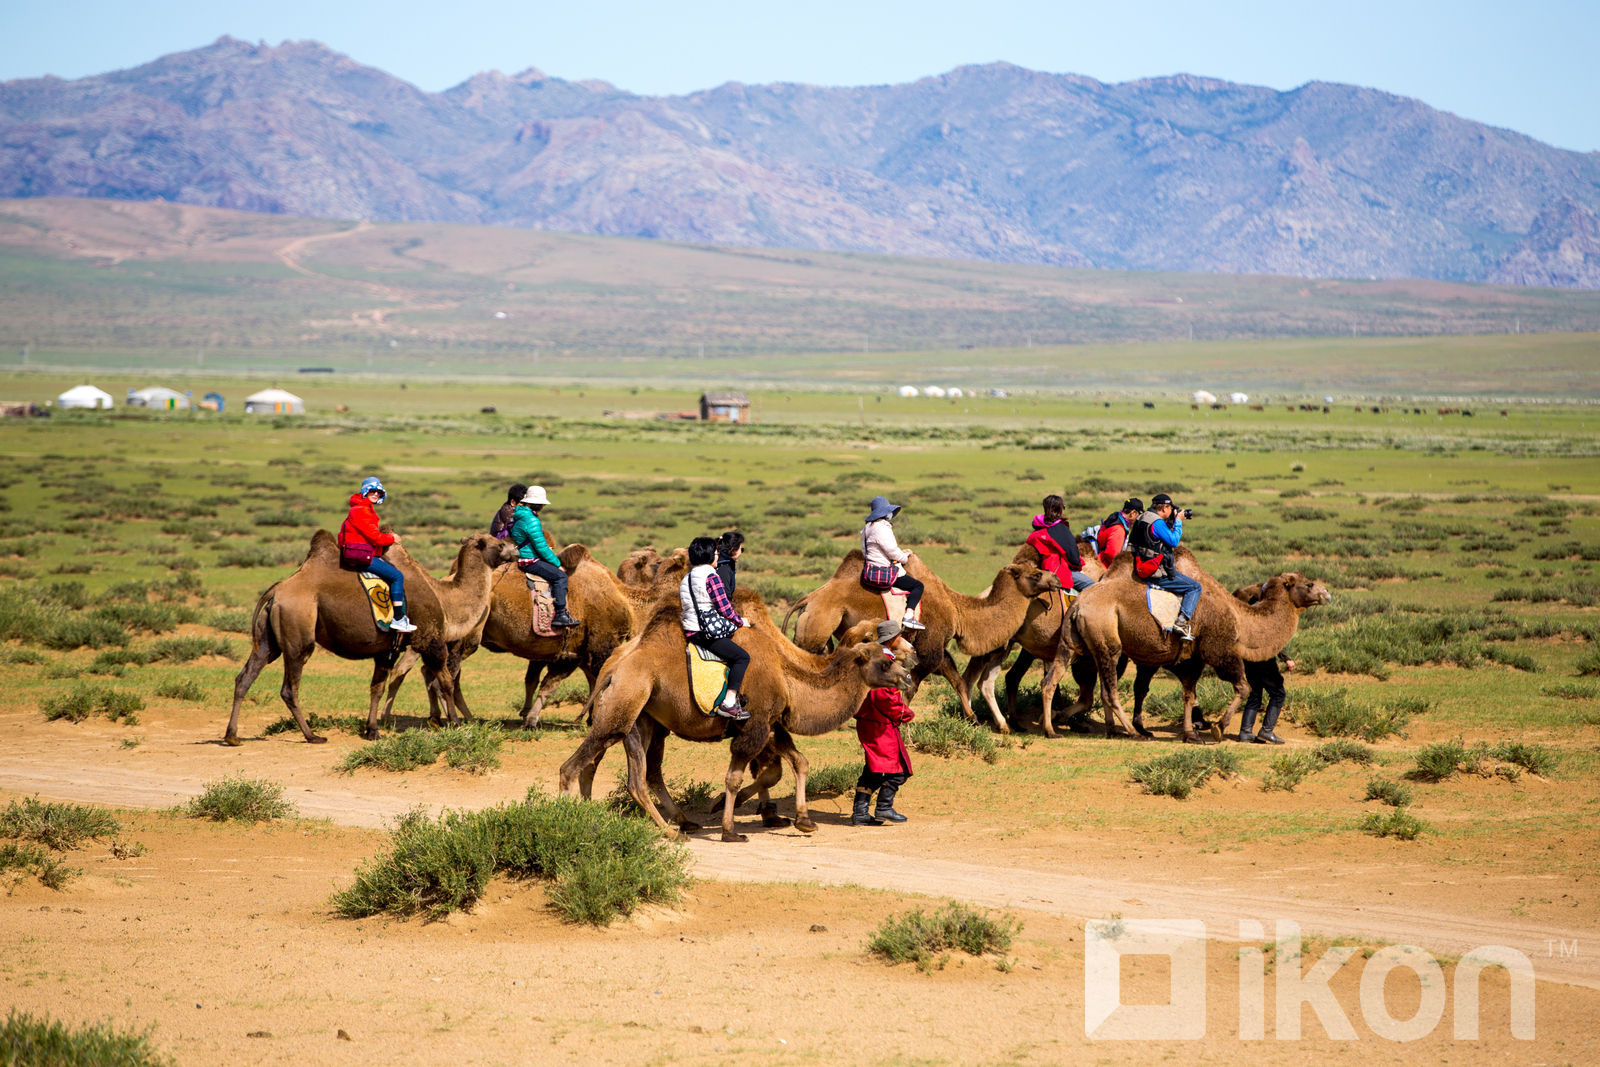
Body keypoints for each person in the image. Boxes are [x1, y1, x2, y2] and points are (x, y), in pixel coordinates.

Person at [680, 536, 752, 720]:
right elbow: (725, 609)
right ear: (709, 555)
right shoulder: (712, 577)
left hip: (690, 630)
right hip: (706, 634)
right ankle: (728, 703)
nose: (718, 556)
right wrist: (739, 621)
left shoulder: (686, 578)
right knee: (742, 657)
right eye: (716, 553)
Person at [851, 621, 915, 826]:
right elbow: (883, 695)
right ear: (892, 639)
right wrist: (904, 712)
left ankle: (860, 813)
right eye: (899, 636)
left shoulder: (879, 657)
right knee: (899, 770)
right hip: (879, 723)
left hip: (874, 721)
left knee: (874, 768)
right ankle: (884, 808)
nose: (901, 640)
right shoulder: (883, 662)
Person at [337, 476, 417, 633]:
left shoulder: (361, 508)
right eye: (372, 491)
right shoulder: (361, 511)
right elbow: (374, 537)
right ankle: (399, 619)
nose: (375, 494)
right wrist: (392, 538)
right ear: (365, 491)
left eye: (378, 492)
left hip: (362, 552)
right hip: (362, 556)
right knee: (397, 576)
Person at [1129, 492, 1201, 640]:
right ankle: (1181, 622)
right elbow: (1173, 541)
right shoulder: (1157, 523)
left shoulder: (1142, 517)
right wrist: (1179, 521)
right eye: (1170, 509)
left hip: (1139, 566)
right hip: (1155, 572)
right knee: (1195, 587)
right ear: (1165, 508)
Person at [511, 486, 577, 628]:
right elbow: (541, 547)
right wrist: (557, 563)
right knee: (561, 577)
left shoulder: (520, 515)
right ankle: (560, 614)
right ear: (537, 504)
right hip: (530, 561)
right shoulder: (531, 520)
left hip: (523, 557)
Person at [859, 496, 925, 631]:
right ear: (884, 513)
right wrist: (904, 558)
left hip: (870, 570)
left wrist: (899, 553)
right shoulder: (882, 528)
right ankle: (909, 616)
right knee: (917, 586)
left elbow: (869, 551)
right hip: (884, 571)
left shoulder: (867, 528)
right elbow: (892, 551)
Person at [1026, 494, 1095, 594]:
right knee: (1093, 587)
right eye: (1063, 507)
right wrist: (1078, 565)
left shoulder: (1037, 531)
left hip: (1041, 570)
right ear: (1059, 510)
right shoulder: (1059, 530)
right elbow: (1073, 556)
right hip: (1058, 571)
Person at [1095, 498, 1144, 568]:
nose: (1139, 519)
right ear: (1132, 513)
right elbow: (1112, 554)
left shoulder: (1113, 519)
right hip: (1102, 567)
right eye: (1139, 515)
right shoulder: (1119, 529)